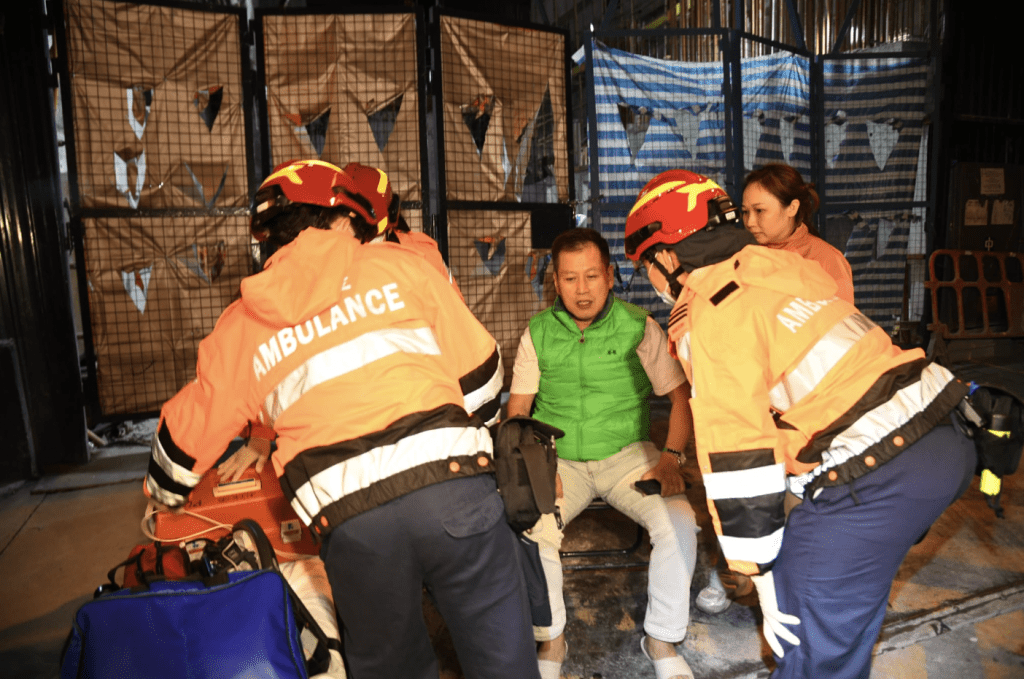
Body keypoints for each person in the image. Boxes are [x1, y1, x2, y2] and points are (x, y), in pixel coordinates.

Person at [145, 158, 539, 679]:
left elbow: (182, 443)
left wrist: (164, 495)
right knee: (503, 662)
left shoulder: (241, 322)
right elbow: (485, 379)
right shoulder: (407, 267)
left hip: (353, 523)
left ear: (268, 236)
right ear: (341, 219)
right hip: (456, 493)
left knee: (391, 667)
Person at [624, 169, 977, 679]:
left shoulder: (713, 311)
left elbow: (737, 455)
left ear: (668, 256)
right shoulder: (782, 268)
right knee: (835, 617)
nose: (652, 281)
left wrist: (760, 575)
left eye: (646, 266)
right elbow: (804, 399)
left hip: (879, 473)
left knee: (808, 645)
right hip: (944, 436)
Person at [506, 228, 698, 679]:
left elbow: (679, 398)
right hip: (558, 458)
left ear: (610, 276)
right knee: (530, 530)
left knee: (681, 525)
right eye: (570, 278)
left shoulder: (639, 325)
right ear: (555, 280)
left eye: (592, 276)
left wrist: (670, 457)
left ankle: (662, 640)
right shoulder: (537, 333)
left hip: (627, 454)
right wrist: (535, 466)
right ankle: (552, 642)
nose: (582, 289)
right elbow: (517, 413)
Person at [742, 164, 854, 304]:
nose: (750, 222)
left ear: (792, 208)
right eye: (745, 212)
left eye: (759, 211)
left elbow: (840, 319)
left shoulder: (827, 259)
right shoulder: (743, 255)